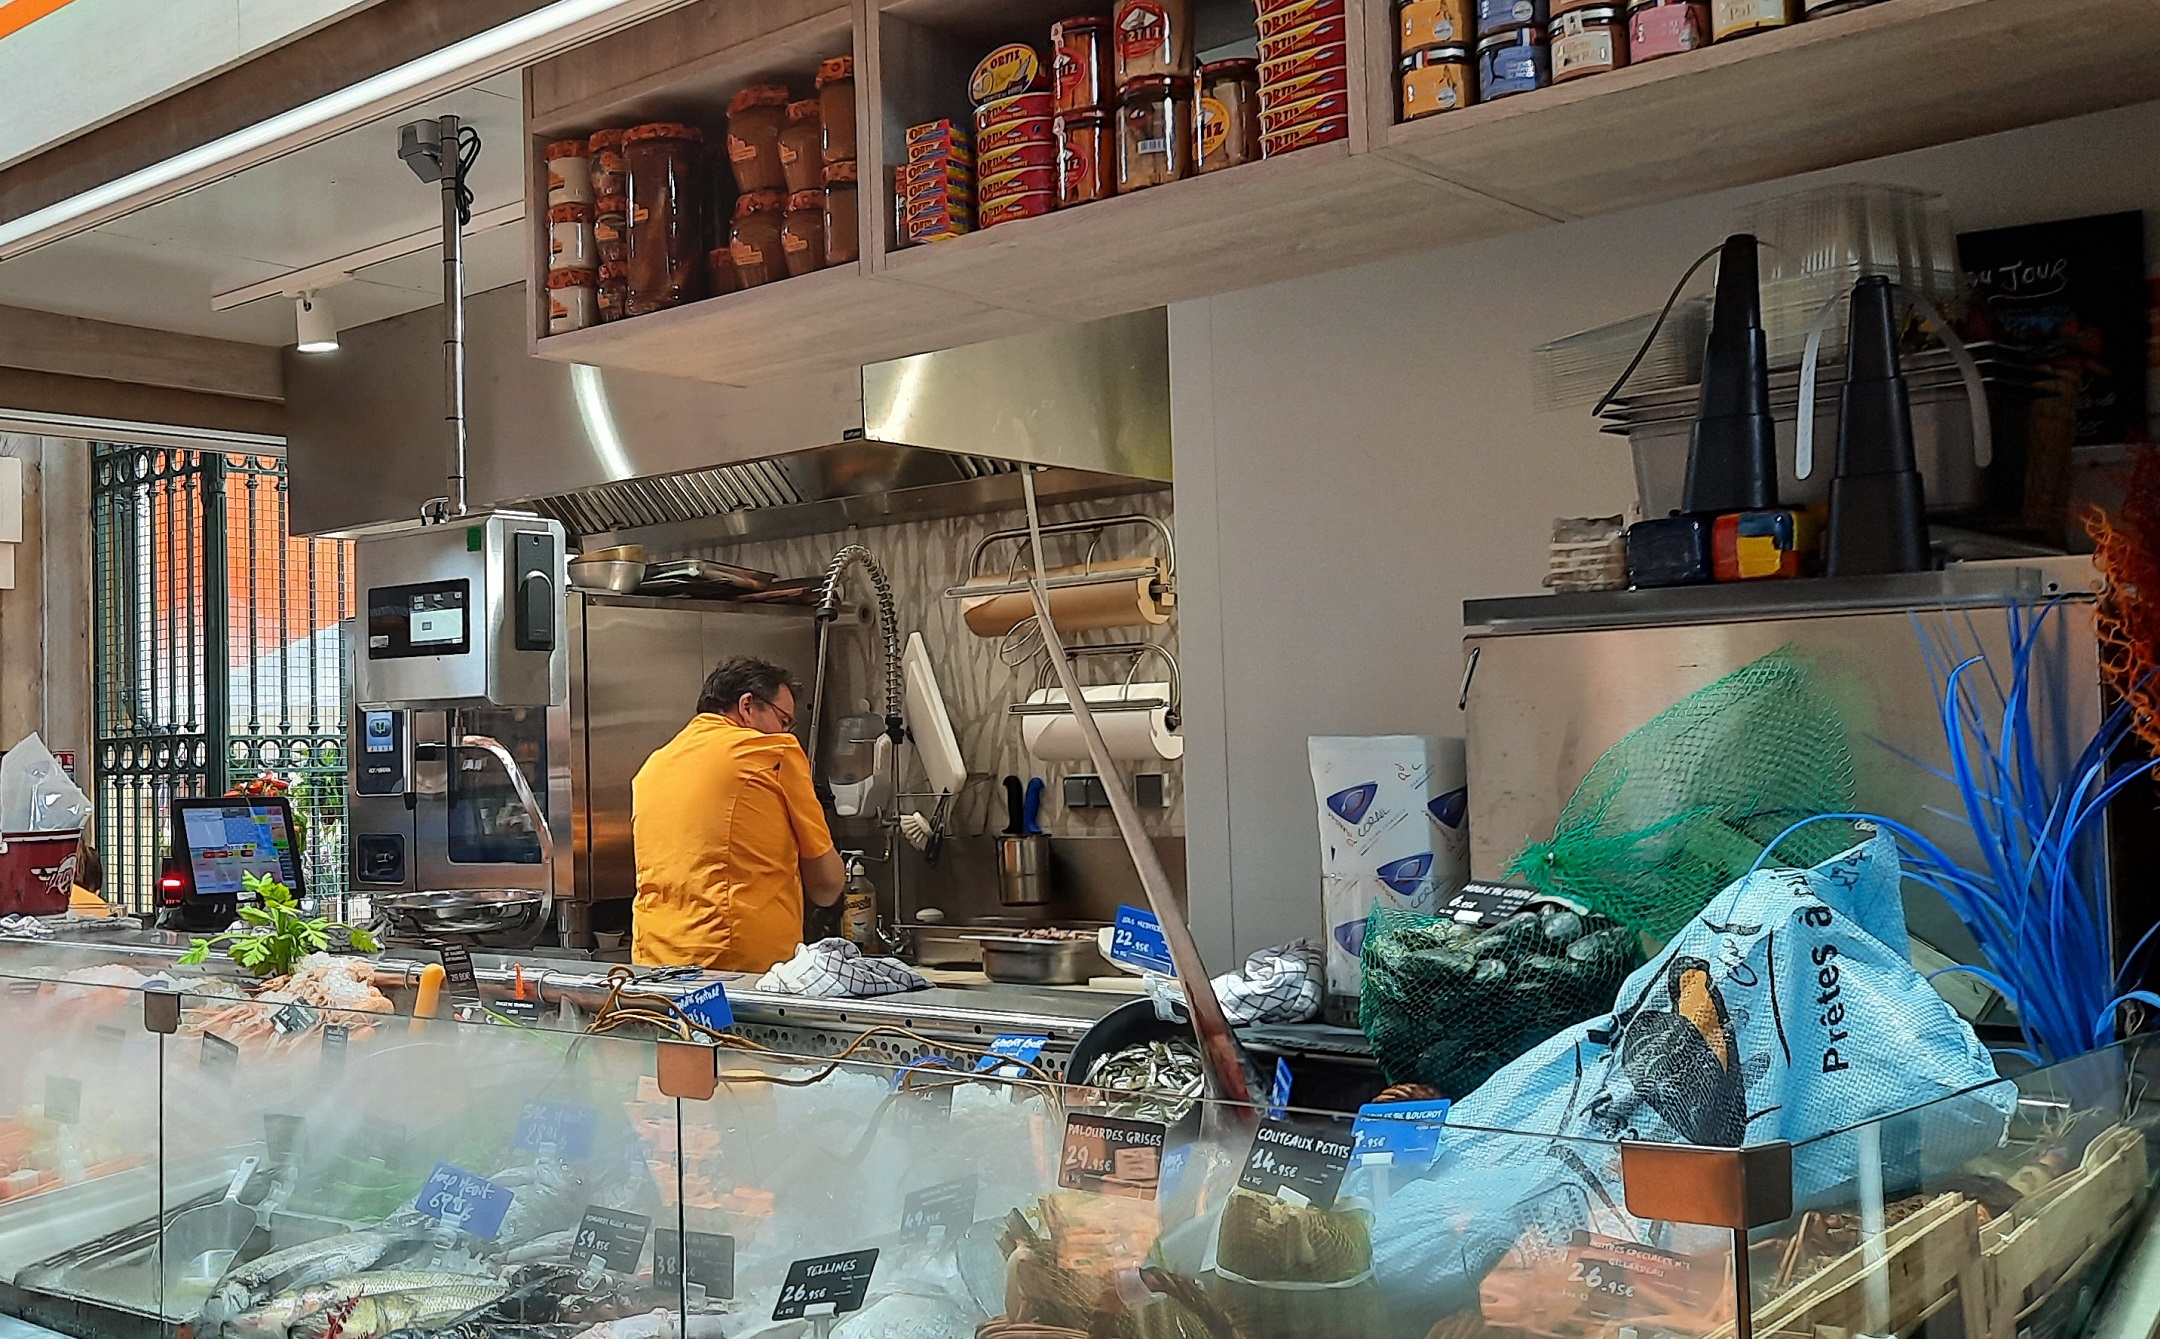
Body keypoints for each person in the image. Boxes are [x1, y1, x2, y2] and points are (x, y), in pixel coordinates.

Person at [631, 656, 843, 971]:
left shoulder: (653, 766)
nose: (785, 732)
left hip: (654, 963)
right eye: (783, 720)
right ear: (747, 706)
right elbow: (826, 885)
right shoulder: (770, 752)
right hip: (737, 966)